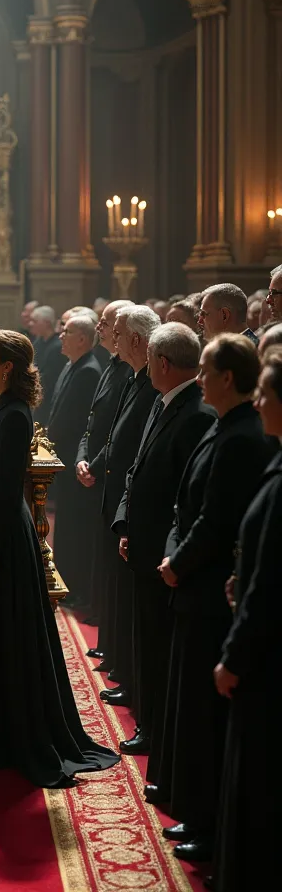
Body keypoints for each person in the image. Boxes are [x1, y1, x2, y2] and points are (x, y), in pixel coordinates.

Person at [0, 329, 119, 787]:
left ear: (7, 367)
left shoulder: (18, 414)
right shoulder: (3, 404)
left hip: (1, 534)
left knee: (5, 634)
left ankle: (7, 736)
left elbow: (8, 491)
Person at [150, 334, 273, 862]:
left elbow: (218, 519)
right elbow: (188, 503)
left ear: (228, 378)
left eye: (204, 370)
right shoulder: (223, 425)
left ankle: (206, 820)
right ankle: (194, 809)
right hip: (194, 587)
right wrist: (174, 552)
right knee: (190, 708)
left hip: (208, 592)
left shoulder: (245, 436)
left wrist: (179, 563)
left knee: (204, 717)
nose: (197, 377)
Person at [111, 323, 215, 757]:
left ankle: (156, 732)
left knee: (159, 647)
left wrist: (167, 551)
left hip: (163, 557)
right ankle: (149, 722)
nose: (147, 367)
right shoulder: (163, 400)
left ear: (164, 363)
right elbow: (137, 470)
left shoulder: (195, 414)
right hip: (143, 544)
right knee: (146, 642)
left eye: (151, 360)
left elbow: (184, 496)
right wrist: (124, 524)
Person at [211, 347, 282, 892]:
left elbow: (270, 581)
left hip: (264, 658)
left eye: (265, 393)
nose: (257, 401)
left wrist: (233, 655)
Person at [99, 305, 161, 709]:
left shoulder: (152, 385)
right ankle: (126, 672)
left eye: (119, 333)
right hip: (122, 503)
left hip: (143, 515)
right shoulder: (135, 377)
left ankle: (136, 686)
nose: (114, 339)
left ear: (137, 340)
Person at [75, 300, 133, 652]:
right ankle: (106, 636)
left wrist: (93, 465)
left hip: (111, 474)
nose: (102, 328)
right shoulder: (111, 365)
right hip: (96, 467)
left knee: (112, 563)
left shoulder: (125, 370)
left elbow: (118, 433)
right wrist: (83, 458)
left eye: (109, 323)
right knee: (102, 557)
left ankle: (112, 641)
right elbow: (92, 423)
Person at [47, 314, 102, 607]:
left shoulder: (88, 371)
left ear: (82, 338)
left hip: (73, 459)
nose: (61, 336)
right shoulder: (73, 365)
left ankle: (75, 585)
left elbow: (79, 421)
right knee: (65, 524)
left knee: (73, 527)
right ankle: (66, 579)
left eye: (66, 331)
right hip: (65, 459)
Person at [29, 305, 65, 425]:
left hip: (48, 399)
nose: (30, 323)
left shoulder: (57, 346)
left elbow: (50, 376)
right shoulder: (38, 342)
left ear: (47, 323)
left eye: (34, 321)